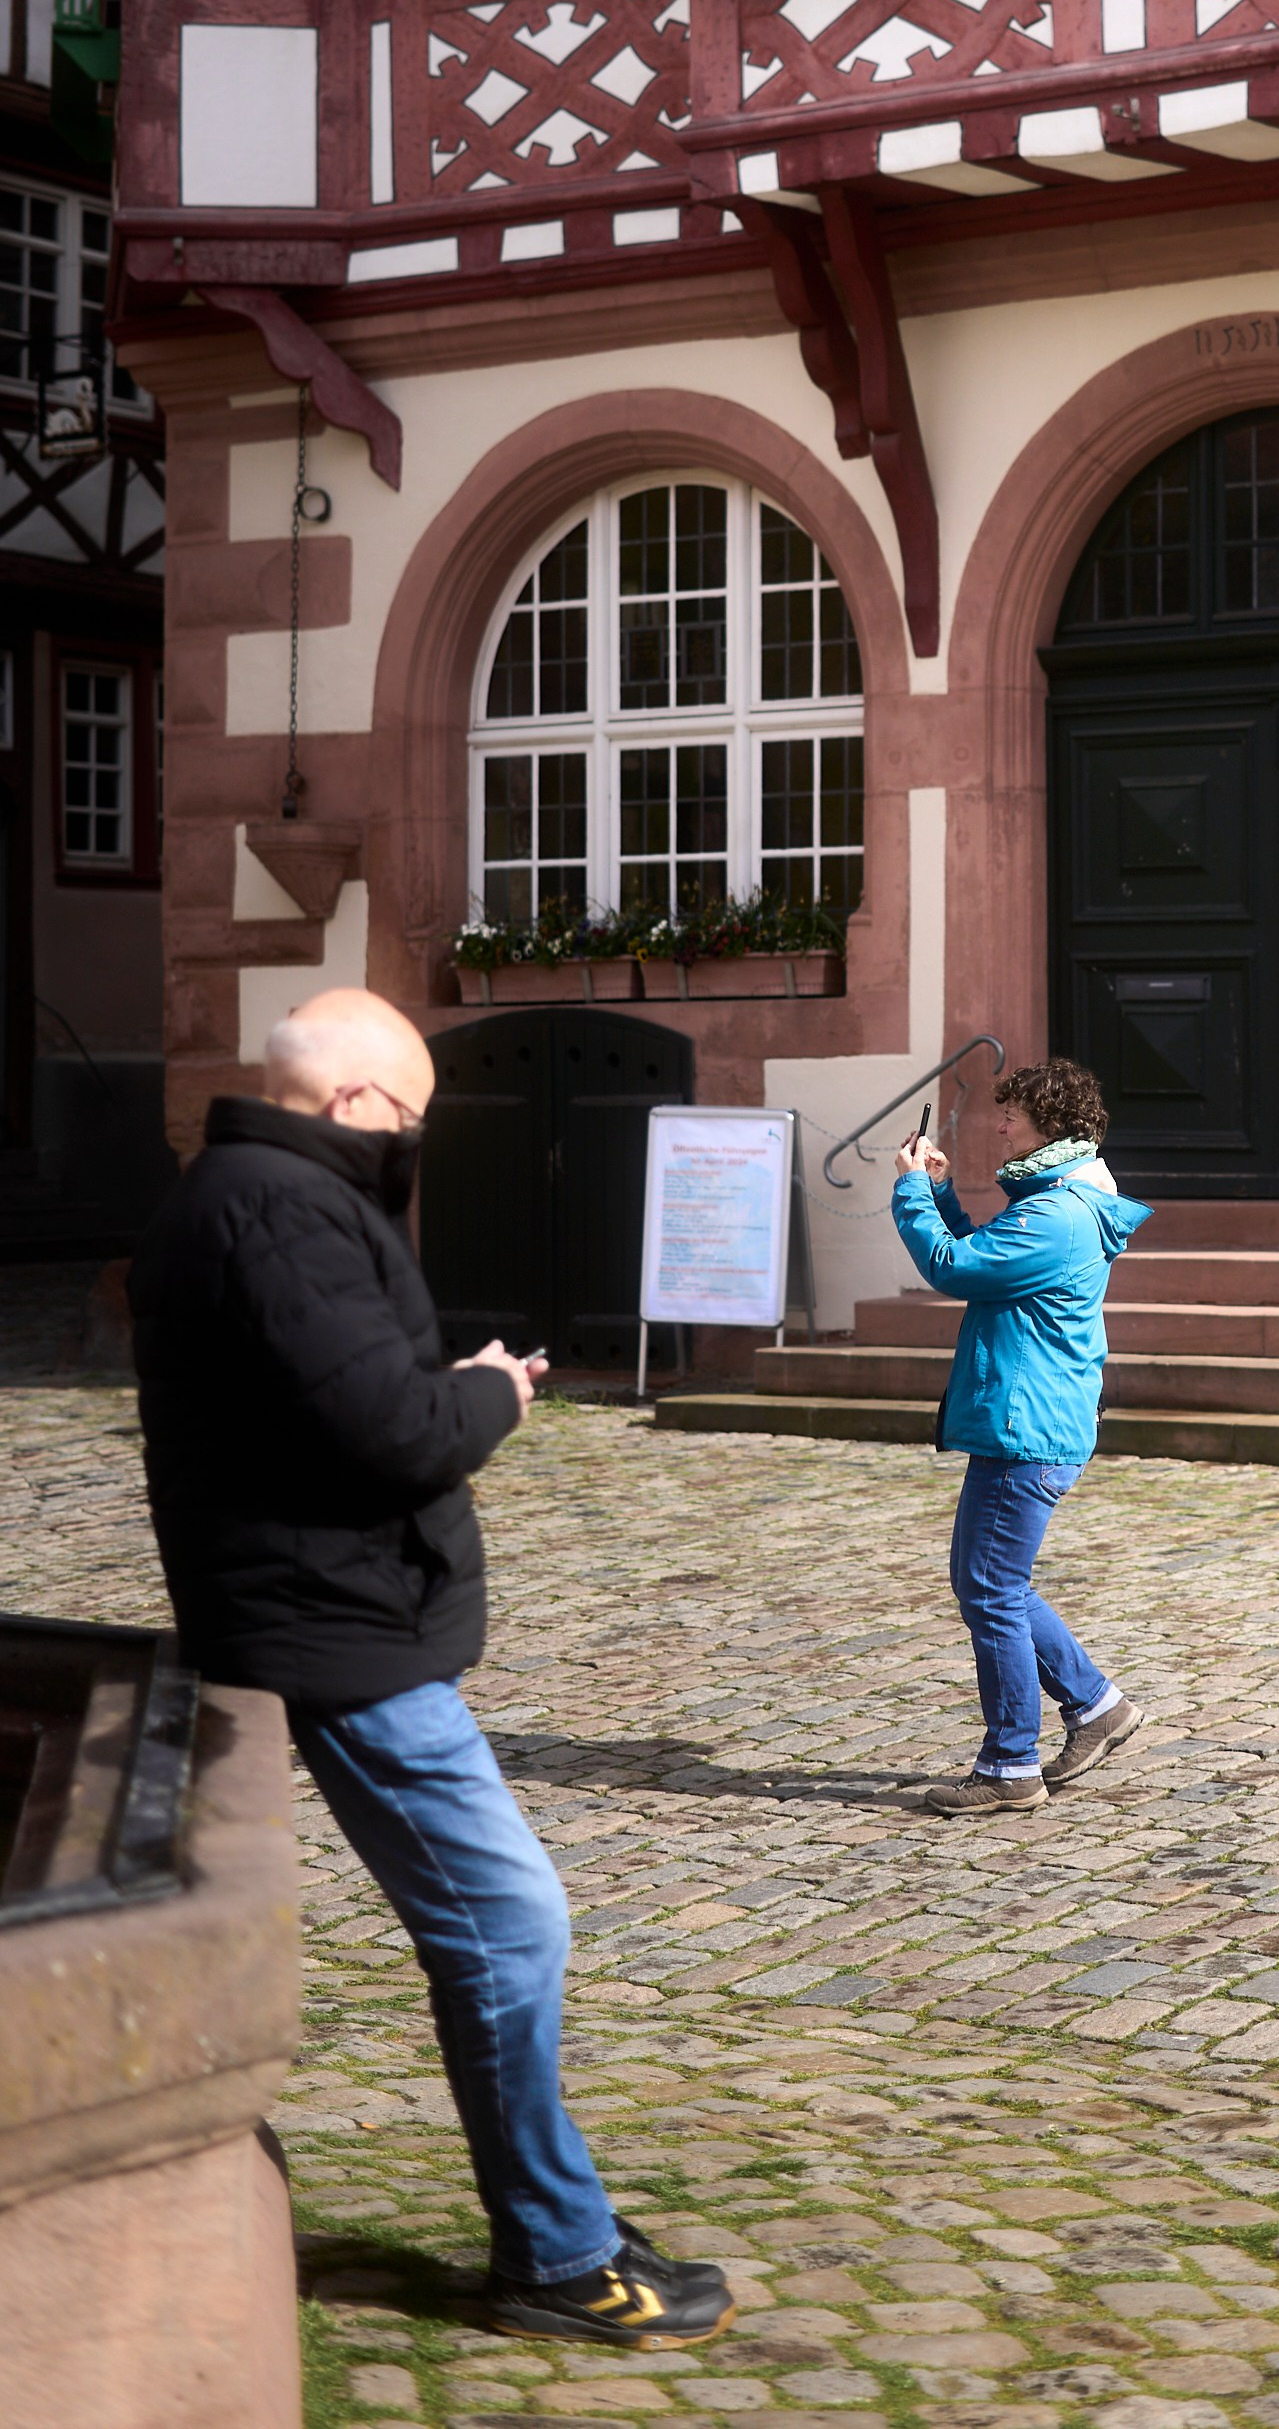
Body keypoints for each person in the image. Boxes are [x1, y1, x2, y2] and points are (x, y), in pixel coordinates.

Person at [130, 987, 732, 2353]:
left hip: (333, 1612)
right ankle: (556, 2254)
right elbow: (393, 1433)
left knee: (506, 1925)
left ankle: (562, 2219)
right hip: (336, 1630)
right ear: (352, 1104)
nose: (410, 1143)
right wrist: (492, 1393)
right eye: (406, 1118)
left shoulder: (250, 1195)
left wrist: (439, 1383)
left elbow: (332, 1398)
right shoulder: (276, 1209)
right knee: (511, 1925)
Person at [892, 1058, 1152, 1814]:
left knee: (991, 1588)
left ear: (1052, 1127)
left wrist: (911, 1194)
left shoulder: (1058, 1214)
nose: (998, 1125)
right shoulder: (1050, 1200)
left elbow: (954, 1268)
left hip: (1027, 1426)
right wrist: (941, 1193)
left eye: (1012, 1115)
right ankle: (1097, 1707)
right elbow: (987, 1260)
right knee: (990, 1583)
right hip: (1026, 1420)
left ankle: (1010, 1766)